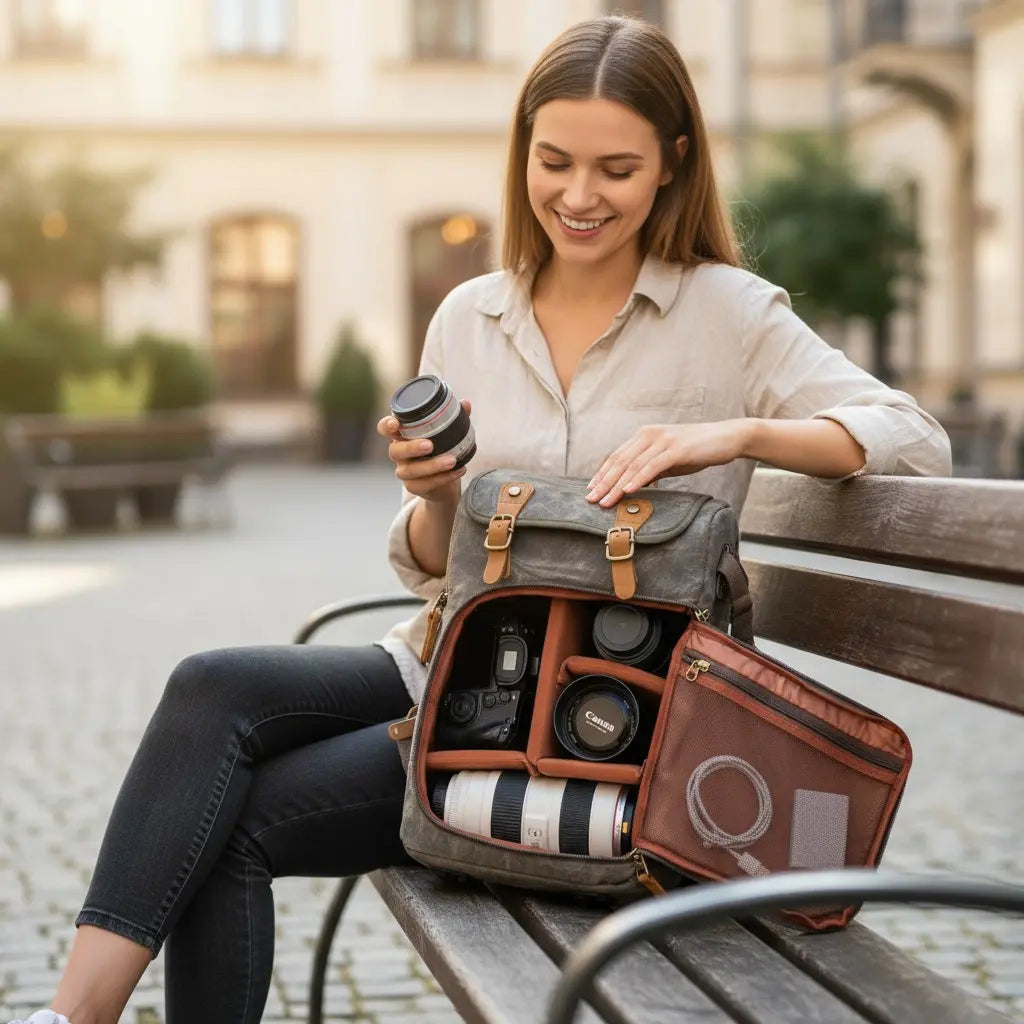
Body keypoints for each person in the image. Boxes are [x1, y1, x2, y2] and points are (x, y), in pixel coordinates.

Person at [9, 14, 950, 1024]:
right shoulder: (470, 315)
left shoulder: (730, 312)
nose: (579, 196)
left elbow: (909, 435)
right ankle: (75, 1018)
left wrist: (729, 433)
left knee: (232, 824)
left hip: (609, 722)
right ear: (522, 153)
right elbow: (432, 567)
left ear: (673, 165)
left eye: (616, 169)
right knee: (211, 687)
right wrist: (433, 495)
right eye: (554, 161)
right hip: (459, 669)